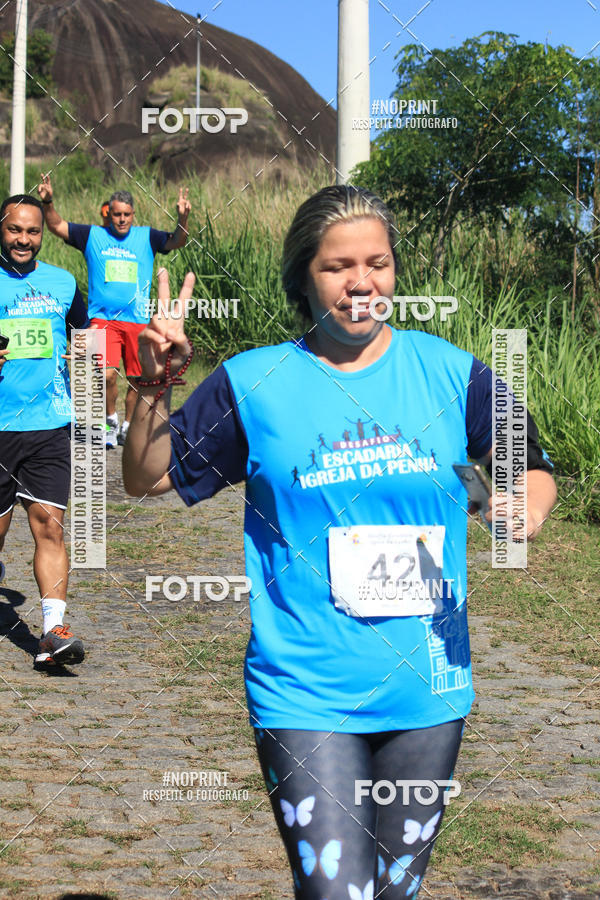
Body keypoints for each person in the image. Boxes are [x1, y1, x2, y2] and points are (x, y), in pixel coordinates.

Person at [122, 186, 557, 898]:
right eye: (338, 267)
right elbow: (147, 477)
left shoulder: (451, 373)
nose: (362, 282)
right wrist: (152, 383)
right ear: (303, 277)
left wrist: (526, 509)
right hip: (305, 692)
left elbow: (531, 467)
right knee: (337, 893)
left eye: (377, 263)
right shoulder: (254, 381)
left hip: (428, 690)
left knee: (394, 892)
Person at [0, 194, 91, 667]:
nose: (24, 239)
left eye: (32, 231)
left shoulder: (62, 281)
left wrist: (80, 354)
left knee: (50, 527)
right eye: (15, 230)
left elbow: (83, 331)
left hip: (50, 424)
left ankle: (53, 632)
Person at [37, 175, 191, 447]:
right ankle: (110, 420)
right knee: (106, 374)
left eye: (127, 214)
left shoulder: (147, 237)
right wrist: (47, 201)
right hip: (103, 319)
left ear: (133, 215)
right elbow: (56, 225)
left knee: (137, 378)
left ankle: (128, 425)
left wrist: (182, 218)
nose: (121, 219)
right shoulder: (92, 235)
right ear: (109, 213)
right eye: (117, 214)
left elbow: (178, 240)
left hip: (138, 321)